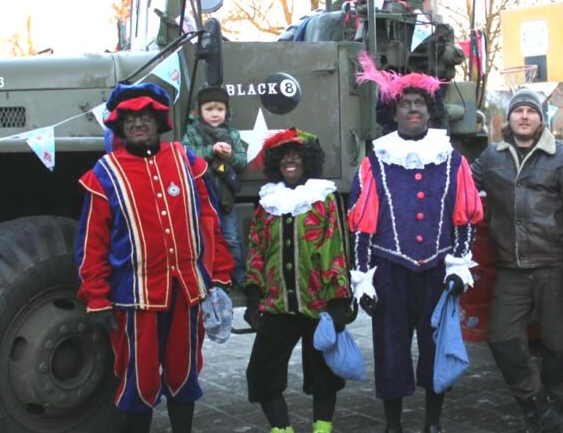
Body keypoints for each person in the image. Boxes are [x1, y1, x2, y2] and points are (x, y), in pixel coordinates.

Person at [76, 82, 234, 433]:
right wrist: (97, 299)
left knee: (183, 375)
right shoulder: (104, 174)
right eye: (130, 118)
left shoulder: (186, 160)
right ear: (120, 125)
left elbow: (209, 220)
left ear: (157, 121)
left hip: (186, 291)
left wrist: (220, 275)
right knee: (139, 382)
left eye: (145, 116)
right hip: (135, 297)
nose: (138, 124)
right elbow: (92, 244)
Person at [347, 53, 484, 433]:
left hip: (437, 272)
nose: (412, 109)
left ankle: (433, 422)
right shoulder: (374, 161)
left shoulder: (452, 159)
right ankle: (393, 426)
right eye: (404, 103)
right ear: (393, 113)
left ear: (429, 111)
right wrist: (362, 280)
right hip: (390, 270)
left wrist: (459, 266)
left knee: (435, 351)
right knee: (391, 353)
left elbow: (466, 218)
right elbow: (361, 226)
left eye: (419, 103)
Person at [470, 89, 563, 432]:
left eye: (531, 111)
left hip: (554, 265)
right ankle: (535, 403)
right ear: (508, 119)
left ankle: (557, 405)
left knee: (557, 345)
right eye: (518, 111)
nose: (524, 116)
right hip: (511, 268)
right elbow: (460, 185)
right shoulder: (491, 158)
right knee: (502, 339)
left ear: (541, 118)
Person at [243, 128, 352, 433]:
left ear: (308, 161)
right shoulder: (268, 203)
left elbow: (336, 250)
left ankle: (322, 430)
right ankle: (282, 430)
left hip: (319, 306)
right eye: (285, 155)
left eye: (298, 154)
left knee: (323, 376)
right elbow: (257, 251)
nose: (291, 160)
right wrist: (254, 298)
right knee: (261, 373)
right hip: (277, 306)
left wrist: (339, 301)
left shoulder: (323, 198)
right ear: (276, 162)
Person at [183, 87, 248, 286]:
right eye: (209, 109)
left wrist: (230, 157)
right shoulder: (193, 133)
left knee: (231, 238)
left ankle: (237, 274)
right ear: (199, 111)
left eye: (220, 109)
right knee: (205, 238)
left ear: (226, 111)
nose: (214, 113)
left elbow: (242, 162)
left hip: (225, 196)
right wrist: (211, 150)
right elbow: (188, 156)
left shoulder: (232, 134)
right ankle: (210, 275)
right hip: (203, 197)